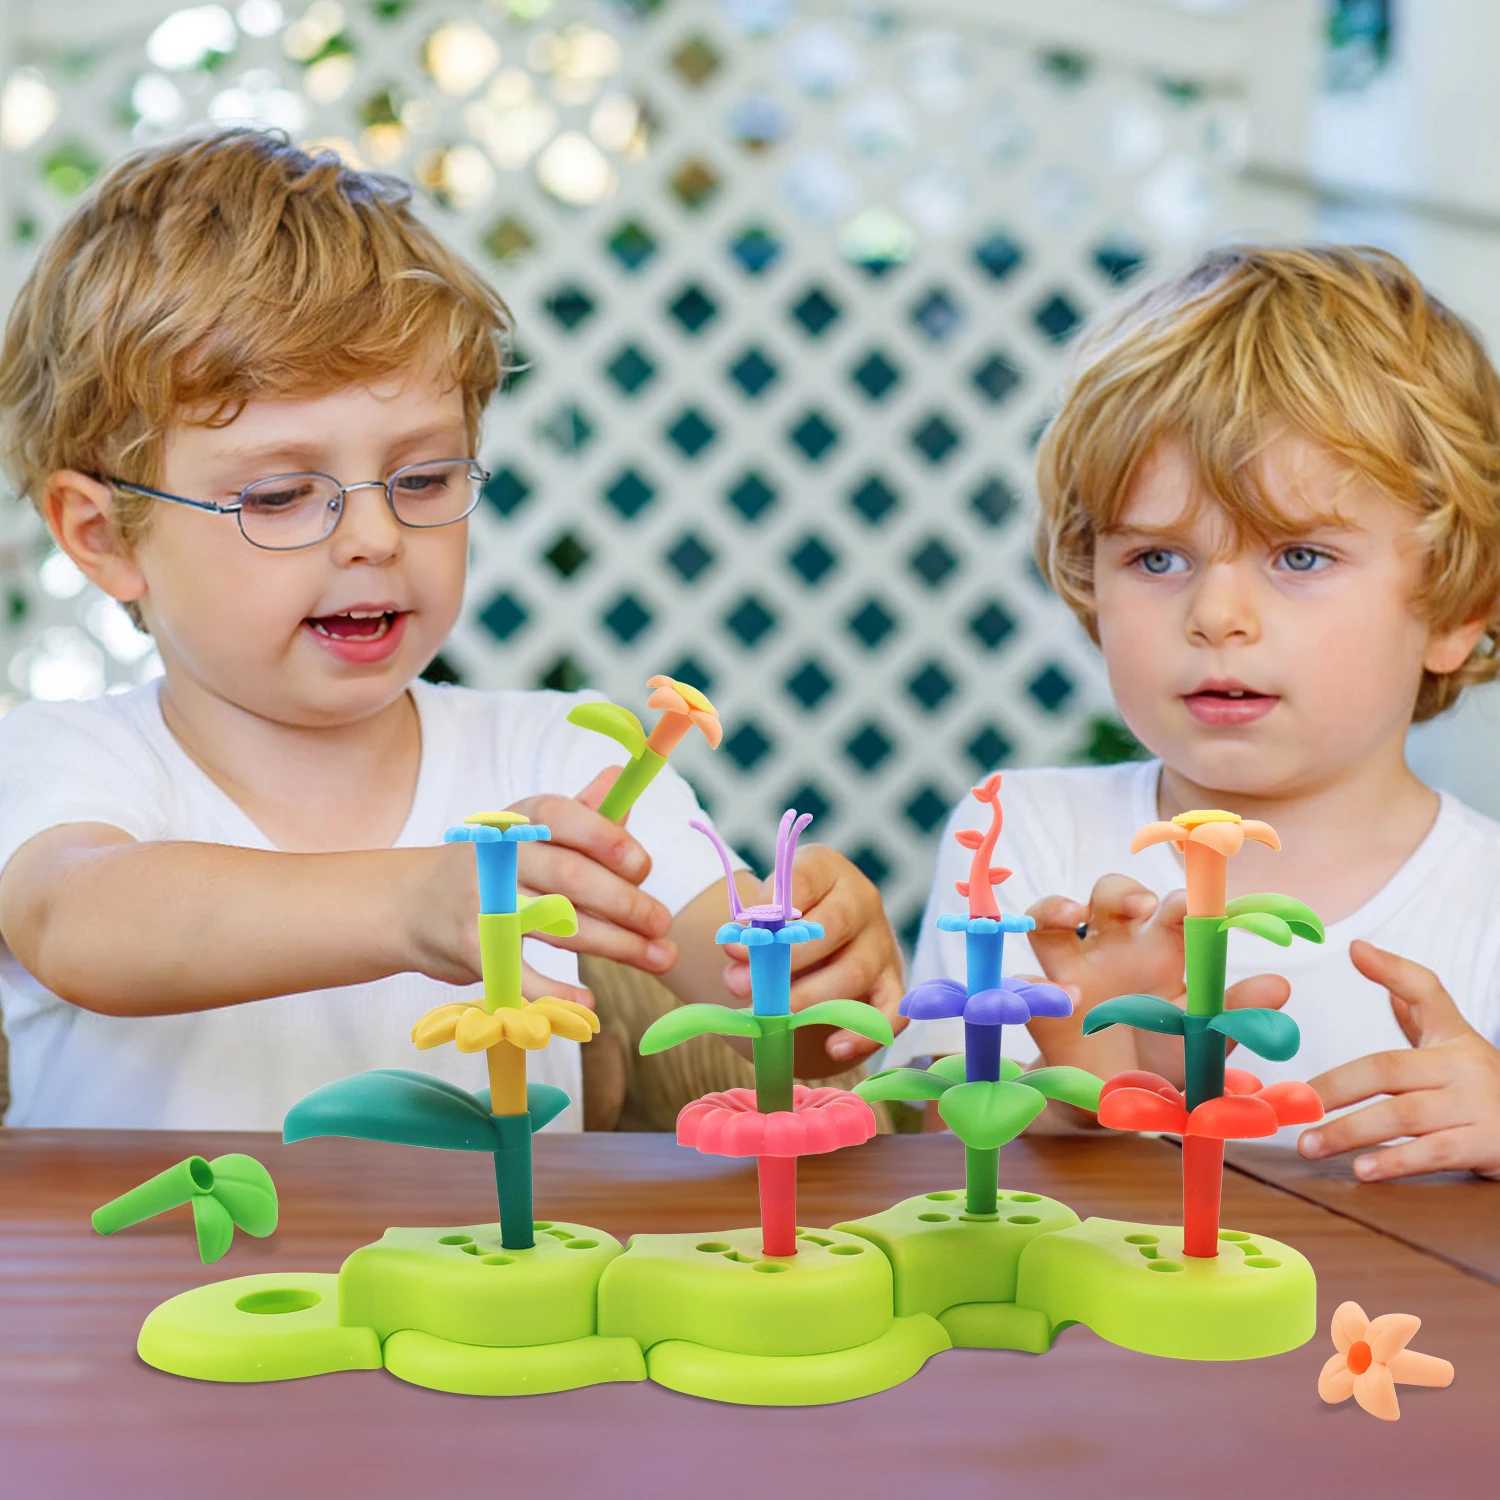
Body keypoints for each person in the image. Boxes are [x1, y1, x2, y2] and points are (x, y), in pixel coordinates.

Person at [0, 128, 903, 1131]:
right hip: (132, 1292)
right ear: (101, 534)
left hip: (515, 1288)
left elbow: (755, 1011)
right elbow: (75, 921)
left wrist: (815, 974)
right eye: (284, 494)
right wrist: (415, 904)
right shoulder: (66, 759)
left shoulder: (561, 756)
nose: (377, 537)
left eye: (423, 478)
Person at [895, 245, 1500, 1181]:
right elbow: (941, 1152)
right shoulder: (1018, 835)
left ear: (1458, 609)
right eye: (1159, 559)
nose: (1216, 616)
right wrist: (1099, 1060)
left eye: (1298, 557)